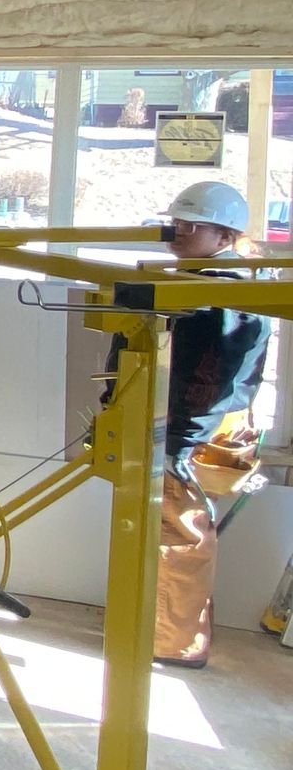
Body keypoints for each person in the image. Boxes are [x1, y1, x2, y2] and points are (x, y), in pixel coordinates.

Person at [102, 180, 269, 668]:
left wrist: (178, 442)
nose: (178, 231)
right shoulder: (210, 284)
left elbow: (211, 379)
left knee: (179, 538)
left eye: (191, 226)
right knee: (169, 534)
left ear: (224, 236)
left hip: (191, 434)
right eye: (177, 223)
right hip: (187, 430)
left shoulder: (219, 298)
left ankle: (174, 642)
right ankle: (159, 630)